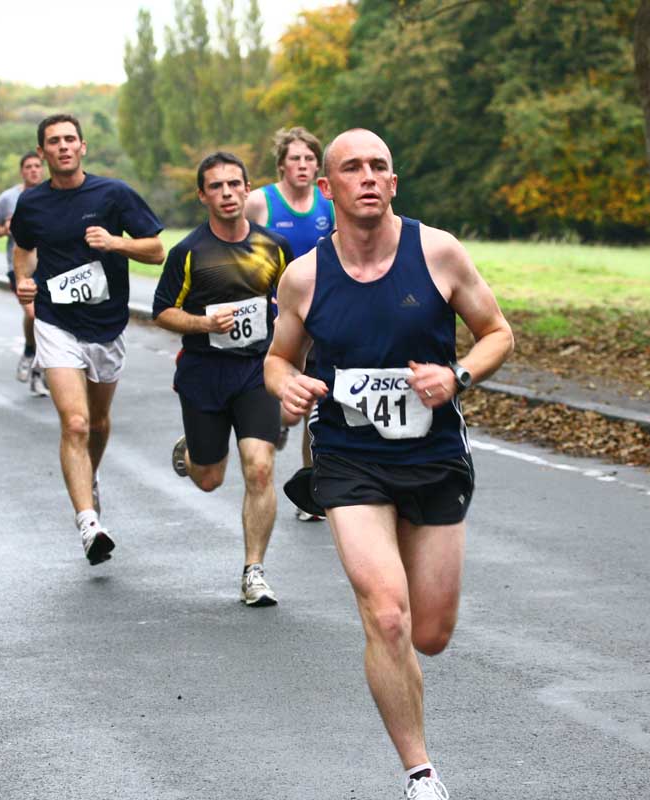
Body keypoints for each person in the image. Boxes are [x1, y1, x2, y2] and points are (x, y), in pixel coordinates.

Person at [264, 129, 513, 799]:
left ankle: (408, 683)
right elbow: (279, 357)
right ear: (328, 189)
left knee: (428, 633)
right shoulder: (306, 277)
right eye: (353, 168)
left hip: (433, 457)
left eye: (380, 167)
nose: (369, 176)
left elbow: (498, 333)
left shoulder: (438, 253)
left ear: (394, 184)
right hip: (350, 461)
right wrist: (285, 383)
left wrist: (457, 375)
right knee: (387, 614)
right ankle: (420, 772)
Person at [11, 114, 164, 566]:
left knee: (97, 423)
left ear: (83, 147)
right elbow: (23, 249)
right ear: (41, 152)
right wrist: (23, 281)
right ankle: (88, 522)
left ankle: (88, 478)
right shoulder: (32, 204)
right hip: (56, 322)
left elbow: (156, 250)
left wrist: (116, 244)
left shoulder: (112, 194)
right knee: (75, 424)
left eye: (69, 140)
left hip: (108, 325)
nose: (62, 147)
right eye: (53, 141)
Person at [154, 151, 293, 606]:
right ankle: (192, 452)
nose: (227, 193)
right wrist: (203, 325)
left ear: (248, 188)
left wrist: (289, 347)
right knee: (210, 478)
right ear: (202, 195)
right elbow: (162, 312)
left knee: (259, 466)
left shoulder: (272, 247)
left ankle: (254, 571)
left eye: (235, 184)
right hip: (204, 374)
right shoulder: (188, 252)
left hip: (256, 371)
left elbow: (290, 305)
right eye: (216, 186)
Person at [246, 127, 335, 521]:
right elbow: (233, 245)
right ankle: (272, 421)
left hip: (316, 313)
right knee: (286, 402)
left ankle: (310, 488)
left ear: (318, 166)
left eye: (309, 159)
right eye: (295, 158)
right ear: (282, 164)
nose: (302, 165)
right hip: (271, 314)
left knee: (313, 399)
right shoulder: (259, 202)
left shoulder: (328, 203)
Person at [0, 152, 47, 396]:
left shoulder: (52, 195)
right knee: (33, 314)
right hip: (19, 266)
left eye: (37, 166)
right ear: (22, 171)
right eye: (28, 167)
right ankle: (28, 350)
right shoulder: (9, 197)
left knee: (46, 320)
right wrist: (5, 229)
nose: (33, 170)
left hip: (48, 264)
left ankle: (38, 372)